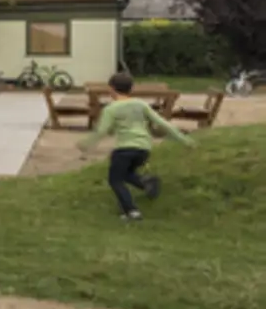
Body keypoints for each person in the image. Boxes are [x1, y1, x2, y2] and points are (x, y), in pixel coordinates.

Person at [78, 71, 192, 220]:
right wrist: (184, 139)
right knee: (126, 173)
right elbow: (162, 122)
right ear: (131, 89)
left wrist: (86, 143)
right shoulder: (141, 104)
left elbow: (102, 131)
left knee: (115, 180)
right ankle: (147, 183)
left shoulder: (111, 109)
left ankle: (131, 211)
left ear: (111, 89)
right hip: (144, 149)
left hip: (125, 149)